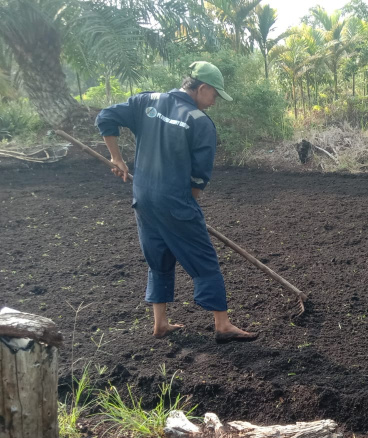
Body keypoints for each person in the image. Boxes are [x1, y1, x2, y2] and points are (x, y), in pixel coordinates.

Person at [95, 61, 258, 343]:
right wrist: (190, 206)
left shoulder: (148, 100)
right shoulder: (199, 121)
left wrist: (116, 157)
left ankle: (160, 324)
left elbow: (105, 117)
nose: (214, 102)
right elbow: (199, 176)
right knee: (205, 261)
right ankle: (222, 325)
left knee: (158, 259)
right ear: (202, 88)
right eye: (214, 95)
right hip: (175, 201)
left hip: (143, 198)